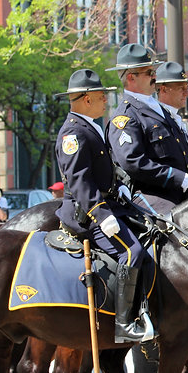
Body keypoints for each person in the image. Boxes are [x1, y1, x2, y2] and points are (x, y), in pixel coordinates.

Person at [54, 68, 154, 344]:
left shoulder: (89, 126)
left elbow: (103, 167)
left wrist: (119, 183)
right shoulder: (73, 133)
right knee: (131, 251)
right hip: (86, 213)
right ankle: (124, 323)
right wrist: (100, 214)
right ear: (87, 99)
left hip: (109, 201)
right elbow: (79, 180)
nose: (106, 102)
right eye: (101, 97)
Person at [106, 48, 188, 216]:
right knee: (175, 230)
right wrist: (175, 176)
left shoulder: (157, 109)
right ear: (130, 77)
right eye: (149, 72)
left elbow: (180, 145)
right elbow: (132, 161)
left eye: (154, 71)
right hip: (150, 194)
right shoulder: (126, 116)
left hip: (181, 189)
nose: (154, 76)